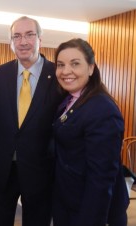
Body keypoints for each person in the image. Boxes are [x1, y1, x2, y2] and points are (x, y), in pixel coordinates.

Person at [0, 16, 64, 226]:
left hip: (41, 167)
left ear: (40, 38)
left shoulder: (57, 74)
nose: (23, 42)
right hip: (4, 167)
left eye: (29, 35)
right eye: (17, 36)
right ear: (10, 42)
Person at [52, 38, 129, 226]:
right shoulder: (70, 99)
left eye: (75, 64)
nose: (66, 71)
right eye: (61, 65)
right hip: (70, 201)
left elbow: (102, 177)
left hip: (89, 210)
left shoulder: (102, 109)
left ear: (91, 68)